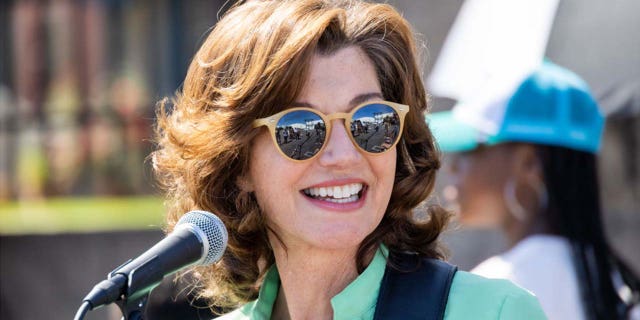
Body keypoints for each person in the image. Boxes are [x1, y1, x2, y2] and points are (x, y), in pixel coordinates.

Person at [152, 0, 546, 319]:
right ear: (238, 164)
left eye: (371, 122)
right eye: (301, 129)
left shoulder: (494, 312)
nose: (343, 156)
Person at [430, 61, 640, 320]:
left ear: (528, 163)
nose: (452, 167)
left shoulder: (494, 292)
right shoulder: (617, 287)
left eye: (471, 148)